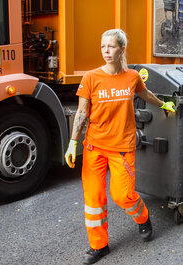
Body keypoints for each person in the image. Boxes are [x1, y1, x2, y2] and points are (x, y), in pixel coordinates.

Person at [64, 29, 176, 265]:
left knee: (123, 195)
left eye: (111, 46)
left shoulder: (132, 77)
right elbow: (82, 112)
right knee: (93, 199)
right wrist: (73, 143)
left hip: (122, 146)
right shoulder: (91, 77)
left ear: (122, 49)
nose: (106, 51)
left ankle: (143, 218)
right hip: (95, 146)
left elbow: (145, 94)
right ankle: (99, 245)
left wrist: (163, 104)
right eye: (103, 46)